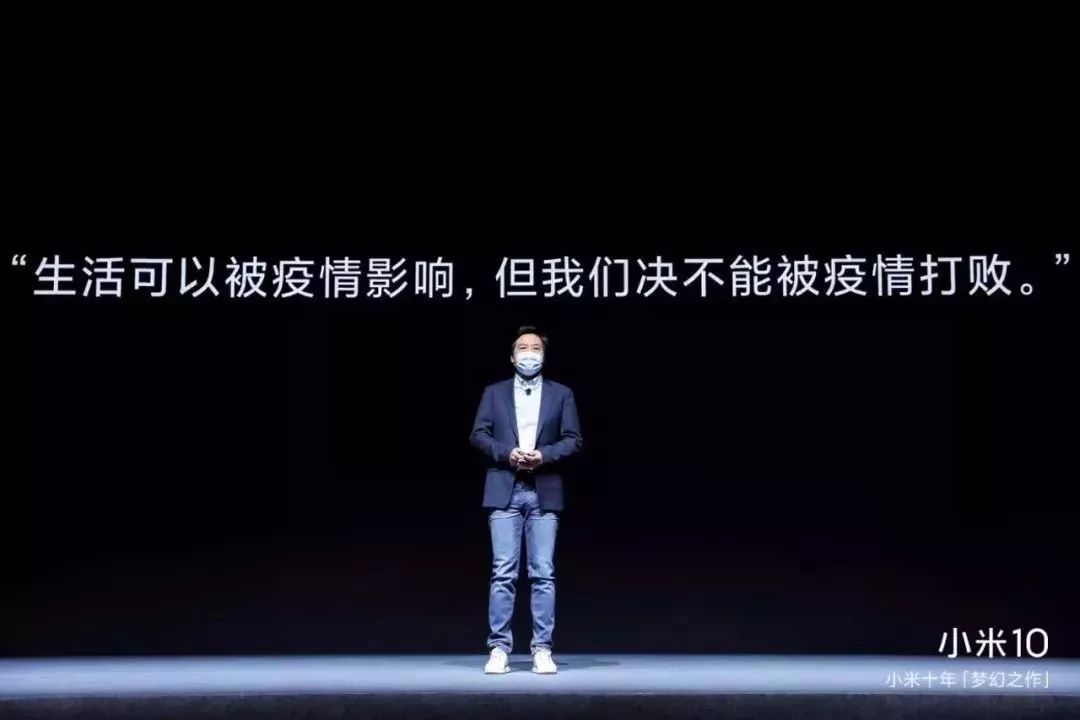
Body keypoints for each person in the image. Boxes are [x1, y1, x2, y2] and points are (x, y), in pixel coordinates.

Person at [469, 326, 583, 674]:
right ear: (512, 356)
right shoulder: (494, 393)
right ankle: (499, 648)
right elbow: (479, 434)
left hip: (543, 491)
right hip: (505, 488)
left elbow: (573, 439)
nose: (529, 352)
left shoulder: (561, 394)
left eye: (536, 348)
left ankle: (542, 649)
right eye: (523, 347)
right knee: (503, 572)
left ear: (543, 356)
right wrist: (508, 453)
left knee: (543, 573)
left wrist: (543, 456)